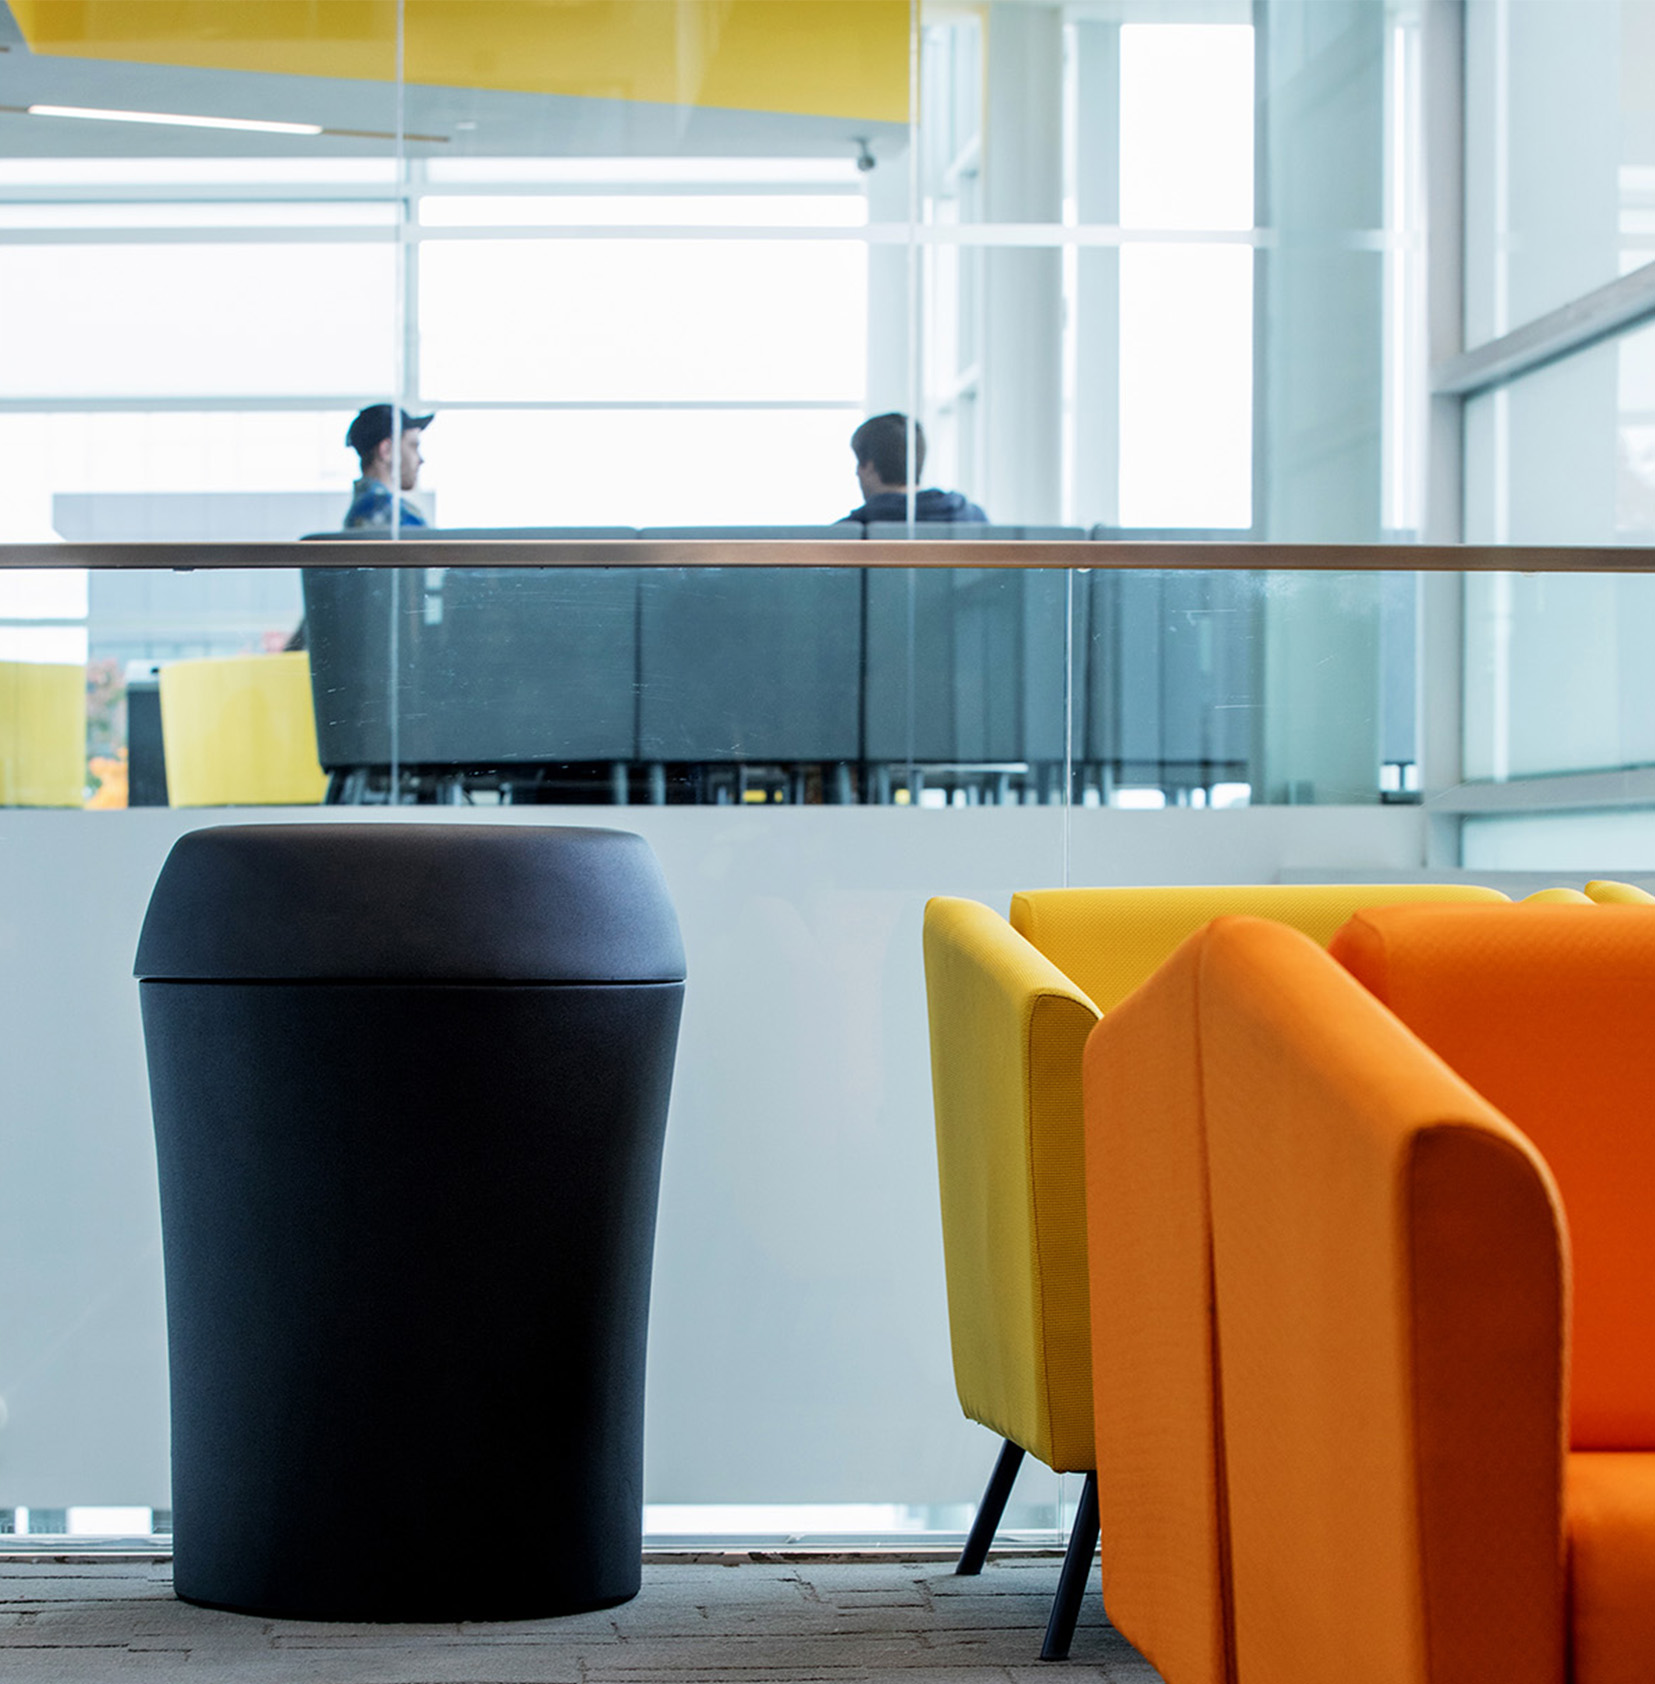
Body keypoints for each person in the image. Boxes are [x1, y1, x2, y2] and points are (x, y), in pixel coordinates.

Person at [841, 412, 988, 524]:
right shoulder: (975, 519)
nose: (856, 473)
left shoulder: (843, 537)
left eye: (859, 463)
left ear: (869, 467)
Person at [343, 404, 433, 529]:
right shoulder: (386, 512)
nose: (421, 460)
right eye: (413, 446)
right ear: (386, 450)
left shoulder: (364, 509)